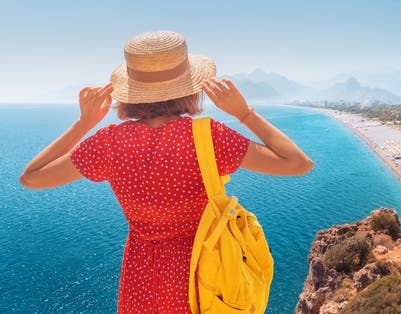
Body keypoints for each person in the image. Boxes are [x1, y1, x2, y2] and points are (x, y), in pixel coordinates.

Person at [19, 30, 313, 313]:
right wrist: (245, 114)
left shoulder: (108, 142)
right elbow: (297, 163)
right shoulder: (207, 137)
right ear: (189, 88)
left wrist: (83, 123)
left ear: (130, 92)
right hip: (202, 276)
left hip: (140, 277)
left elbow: (31, 177)